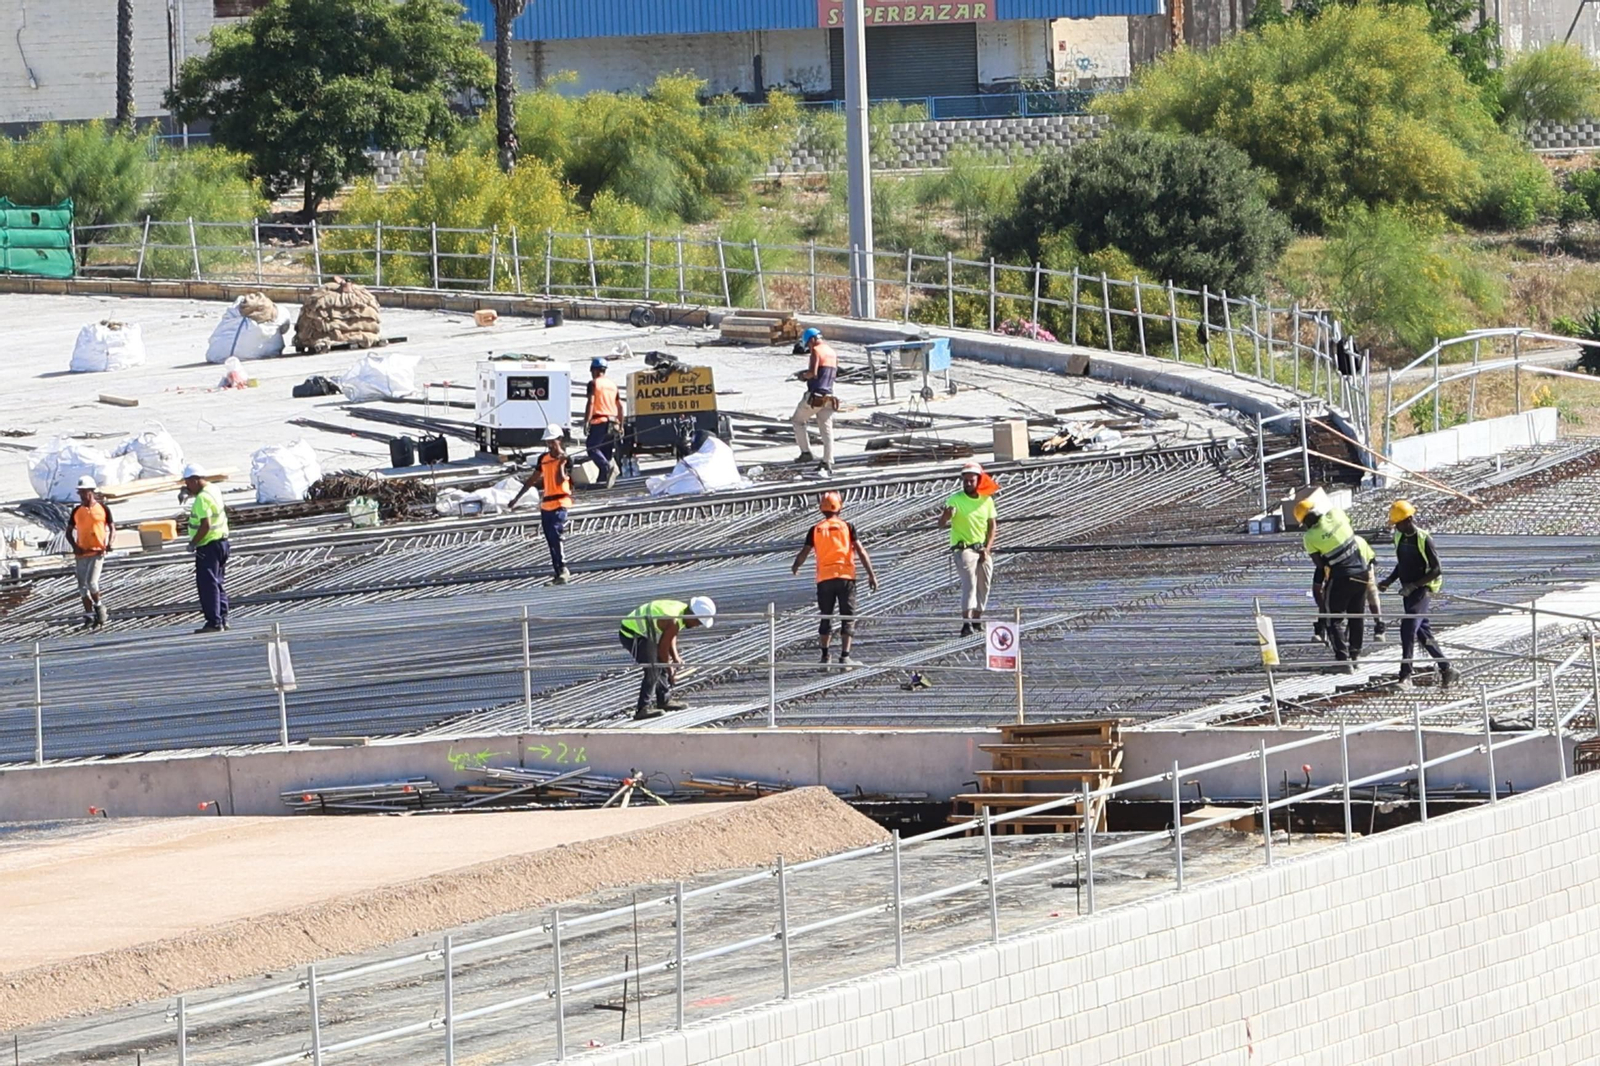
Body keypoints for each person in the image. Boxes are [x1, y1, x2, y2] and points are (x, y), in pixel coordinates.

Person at [791, 491, 879, 668]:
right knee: (848, 616)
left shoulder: (816, 529)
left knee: (826, 616)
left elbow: (804, 552)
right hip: (845, 577)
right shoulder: (847, 527)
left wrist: (796, 566)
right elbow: (860, 551)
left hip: (824, 579)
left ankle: (825, 657)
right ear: (840, 506)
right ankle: (845, 657)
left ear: (821, 508)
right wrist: (871, 574)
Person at [1379, 499, 1458, 689]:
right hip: (1408, 590)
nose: (1396, 527)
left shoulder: (1424, 539)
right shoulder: (1399, 537)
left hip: (1424, 589)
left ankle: (1406, 676)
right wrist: (1389, 581)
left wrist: (1414, 586)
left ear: (1409, 520)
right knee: (1422, 633)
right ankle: (1447, 668)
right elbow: (1402, 563)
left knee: (1408, 627)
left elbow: (1436, 569)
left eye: (1398, 523)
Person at [1294, 490, 1365, 668]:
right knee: (1356, 616)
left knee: (1333, 619)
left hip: (1341, 577)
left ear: (1305, 521)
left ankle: (1343, 660)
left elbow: (1319, 564)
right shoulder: (1336, 514)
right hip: (1362, 572)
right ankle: (1355, 656)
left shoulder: (1310, 537)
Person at [618, 595, 716, 720]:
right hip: (632, 634)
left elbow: (670, 636)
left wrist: (675, 657)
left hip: (645, 634)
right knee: (653, 669)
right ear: (692, 615)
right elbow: (663, 649)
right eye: (698, 622)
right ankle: (642, 709)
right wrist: (670, 670)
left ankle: (664, 700)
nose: (698, 625)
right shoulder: (673, 620)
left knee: (661, 663)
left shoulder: (681, 611)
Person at [940, 460, 998, 637]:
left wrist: (987, 548)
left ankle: (977, 620)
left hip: (981, 549)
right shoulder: (955, 500)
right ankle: (966, 623)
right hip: (963, 549)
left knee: (984, 585)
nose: (967, 484)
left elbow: (992, 526)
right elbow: (941, 523)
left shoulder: (986, 501)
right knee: (970, 584)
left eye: (971, 481)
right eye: (965, 480)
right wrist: (947, 516)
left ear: (978, 481)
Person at [510, 425, 573, 585]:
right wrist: (517, 498)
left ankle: (563, 569)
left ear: (559, 440)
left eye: (552, 442)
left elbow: (560, 480)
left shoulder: (567, 460)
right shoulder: (543, 459)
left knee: (556, 535)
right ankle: (557, 571)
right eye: (548, 442)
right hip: (546, 505)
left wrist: (560, 463)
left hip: (560, 503)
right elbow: (533, 479)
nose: (550, 445)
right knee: (550, 540)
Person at [182, 463, 230, 634]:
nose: (186, 486)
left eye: (188, 482)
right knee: (218, 583)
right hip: (222, 543)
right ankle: (223, 618)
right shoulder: (213, 489)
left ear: (195, 480)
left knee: (208, 585)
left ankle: (214, 623)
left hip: (208, 546)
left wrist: (193, 543)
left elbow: (205, 525)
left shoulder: (202, 499)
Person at [65, 475, 113, 629]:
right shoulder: (77, 511)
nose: (82, 495)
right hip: (81, 554)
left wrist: (110, 543)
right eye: (80, 492)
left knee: (92, 583)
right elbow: (68, 532)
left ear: (91, 492)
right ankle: (89, 615)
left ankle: (99, 607)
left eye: (84, 492)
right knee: (82, 587)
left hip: (97, 552)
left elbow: (112, 527)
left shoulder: (103, 509)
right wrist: (74, 546)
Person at [791, 327, 838, 474]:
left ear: (812, 340)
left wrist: (803, 376)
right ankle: (827, 461)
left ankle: (806, 453)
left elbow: (813, 373)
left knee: (797, 421)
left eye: (808, 344)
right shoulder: (832, 352)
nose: (809, 348)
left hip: (815, 397)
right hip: (829, 396)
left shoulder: (816, 351)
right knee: (826, 430)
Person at [583, 356, 622, 489]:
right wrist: (620, 424)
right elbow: (620, 406)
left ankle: (609, 467)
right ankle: (602, 480)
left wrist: (586, 421)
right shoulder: (612, 385)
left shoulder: (594, 383)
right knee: (605, 452)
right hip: (613, 422)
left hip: (600, 421)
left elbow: (591, 402)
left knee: (591, 447)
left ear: (593, 370)